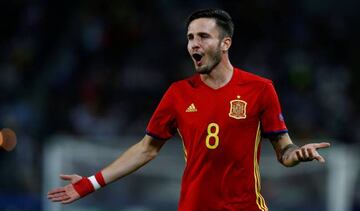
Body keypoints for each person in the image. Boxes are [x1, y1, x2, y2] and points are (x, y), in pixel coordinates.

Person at [47, 8, 330, 211]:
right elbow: (146, 148)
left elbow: (284, 151)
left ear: (225, 43)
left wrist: (299, 153)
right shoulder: (178, 94)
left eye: (203, 36)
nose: (194, 44)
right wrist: (90, 184)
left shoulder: (260, 89)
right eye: (190, 37)